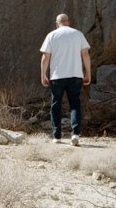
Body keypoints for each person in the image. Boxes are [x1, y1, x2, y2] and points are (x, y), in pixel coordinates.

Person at [39, 13, 91, 144]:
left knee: (56, 105)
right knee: (75, 104)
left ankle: (57, 136)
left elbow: (45, 57)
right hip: (75, 75)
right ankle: (75, 135)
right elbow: (85, 54)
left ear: (57, 24)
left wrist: (43, 74)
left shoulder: (52, 35)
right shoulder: (78, 34)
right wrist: (88, 73)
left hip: (57, 76)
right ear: (69, 22)